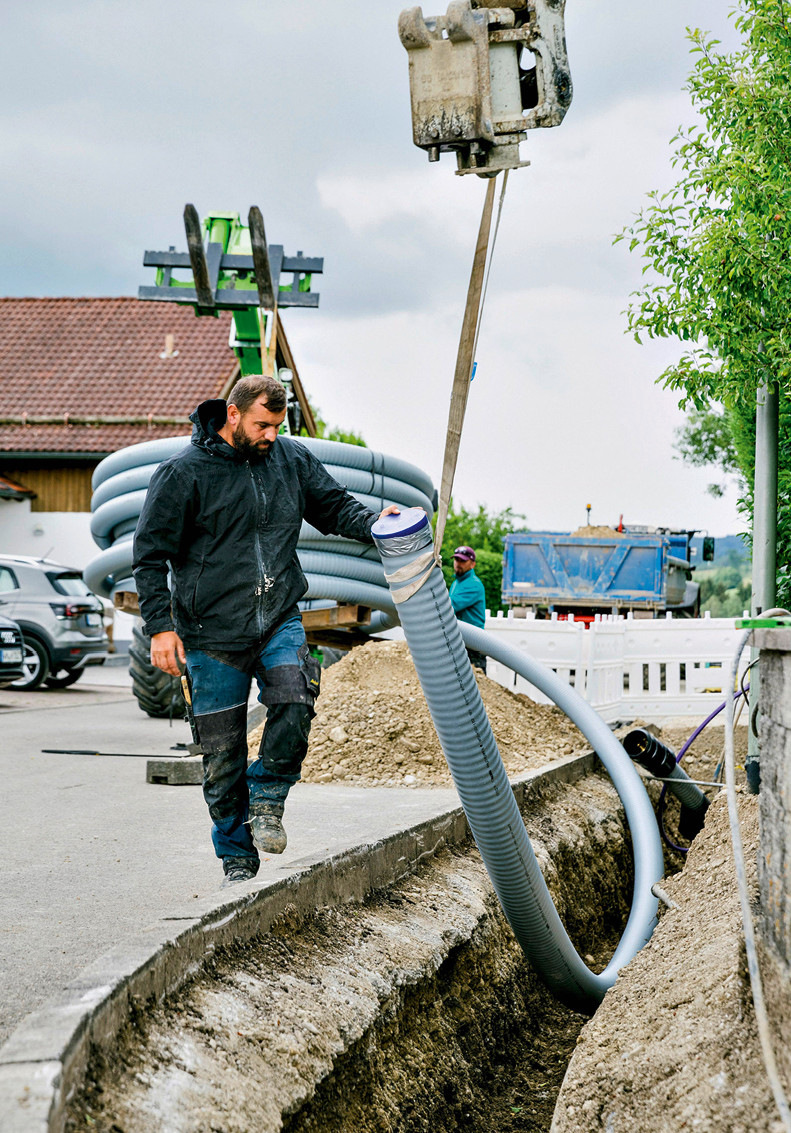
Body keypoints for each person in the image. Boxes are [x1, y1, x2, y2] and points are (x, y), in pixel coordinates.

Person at [132, 375, 398, 887]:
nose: (272, 434)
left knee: (296, 698)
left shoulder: (290, 460)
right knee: (221, 753)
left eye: (277, 424)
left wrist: (374, 523)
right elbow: (149, 556)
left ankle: (269, 798)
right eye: (262, 424)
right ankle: (237, 857)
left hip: (277, 616)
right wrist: (161, 629)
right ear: (232, 415)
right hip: (211, 633)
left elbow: (334, 507)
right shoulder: (184, 473)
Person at [449, 545, 487, 673]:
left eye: (463, 561)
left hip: (472, 644)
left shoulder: (473, 584)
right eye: (456, 560)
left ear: (472, 564)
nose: (458, 564)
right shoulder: (457, 583)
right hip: (461, 641)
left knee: (477, 683)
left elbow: (450, 607)